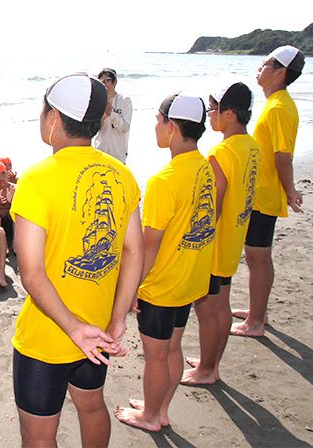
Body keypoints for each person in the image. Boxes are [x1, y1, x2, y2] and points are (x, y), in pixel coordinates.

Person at [11, 73, 143, 447]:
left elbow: (32, 274)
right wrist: (116, 319)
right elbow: (135, 251)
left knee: (38, 438)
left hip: (49, 335)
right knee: (91, 406)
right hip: (97, 327)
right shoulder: (122, 175)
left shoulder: (37, 179)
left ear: (53, 118)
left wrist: (72, 327)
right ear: (99, 120)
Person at [115, 93, 215, 432]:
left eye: (158, 121)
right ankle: (160, 408)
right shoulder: (204, 165)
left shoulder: (164, 179)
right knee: (172, 348)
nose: (156, 127)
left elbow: (149, 246)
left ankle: (151, 416)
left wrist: (132, 290)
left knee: (157, 356)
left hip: (162, 285)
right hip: (189, 279)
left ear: (171, 127)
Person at [181, 83, 259, 386]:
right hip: (234, 238)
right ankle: (210, 360)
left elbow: (213, 205)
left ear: (228, 113)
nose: (210, 116)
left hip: (215, 244)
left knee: (209, 307)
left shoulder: (222, 152)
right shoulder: (250, 146)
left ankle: (208, 369)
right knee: (221, 302)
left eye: (213, 110)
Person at [232, 45, 306, 337]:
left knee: (257, 257)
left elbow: (282, 155)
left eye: (266, 63)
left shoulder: (278, 107)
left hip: (263, 194)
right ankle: (257, 311)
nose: (260, 67)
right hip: (261, 192)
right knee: (260, 256)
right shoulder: (278, 102)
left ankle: (256, 322)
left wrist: (290, 190)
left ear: (281, 72)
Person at [93, 68, 132, 163]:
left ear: (114, 82)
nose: (104, 84)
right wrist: (104, 115)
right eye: (101, 82)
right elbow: (94, 128)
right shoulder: (97, 102)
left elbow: (124, 128)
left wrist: (111, 113)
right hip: (100, 152)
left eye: (107, 81)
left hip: (118, 154)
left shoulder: (125, 100)